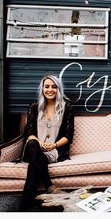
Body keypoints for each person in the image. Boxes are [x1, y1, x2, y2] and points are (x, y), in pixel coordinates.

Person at [19, 75, 74, 211]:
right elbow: (29, 133)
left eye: (54, 87)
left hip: (54, 151)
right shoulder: (34, 107)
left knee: (34, 167)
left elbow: (68, 136)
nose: (50, 90)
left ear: (58, 89)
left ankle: (22, 211)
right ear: (42, 89)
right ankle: (49, 186)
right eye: (47, 86)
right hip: (34, 148)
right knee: (32, 144)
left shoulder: (67, 108)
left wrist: (54, 145)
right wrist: (40, 143)